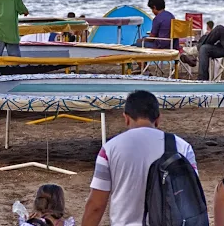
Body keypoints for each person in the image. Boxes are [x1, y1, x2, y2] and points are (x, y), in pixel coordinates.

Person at [81, 90, 197, 226]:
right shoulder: (183, 147)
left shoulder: (109, 149)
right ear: (158, 119)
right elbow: (192, 196)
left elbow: (96, 205)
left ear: (126, 118)